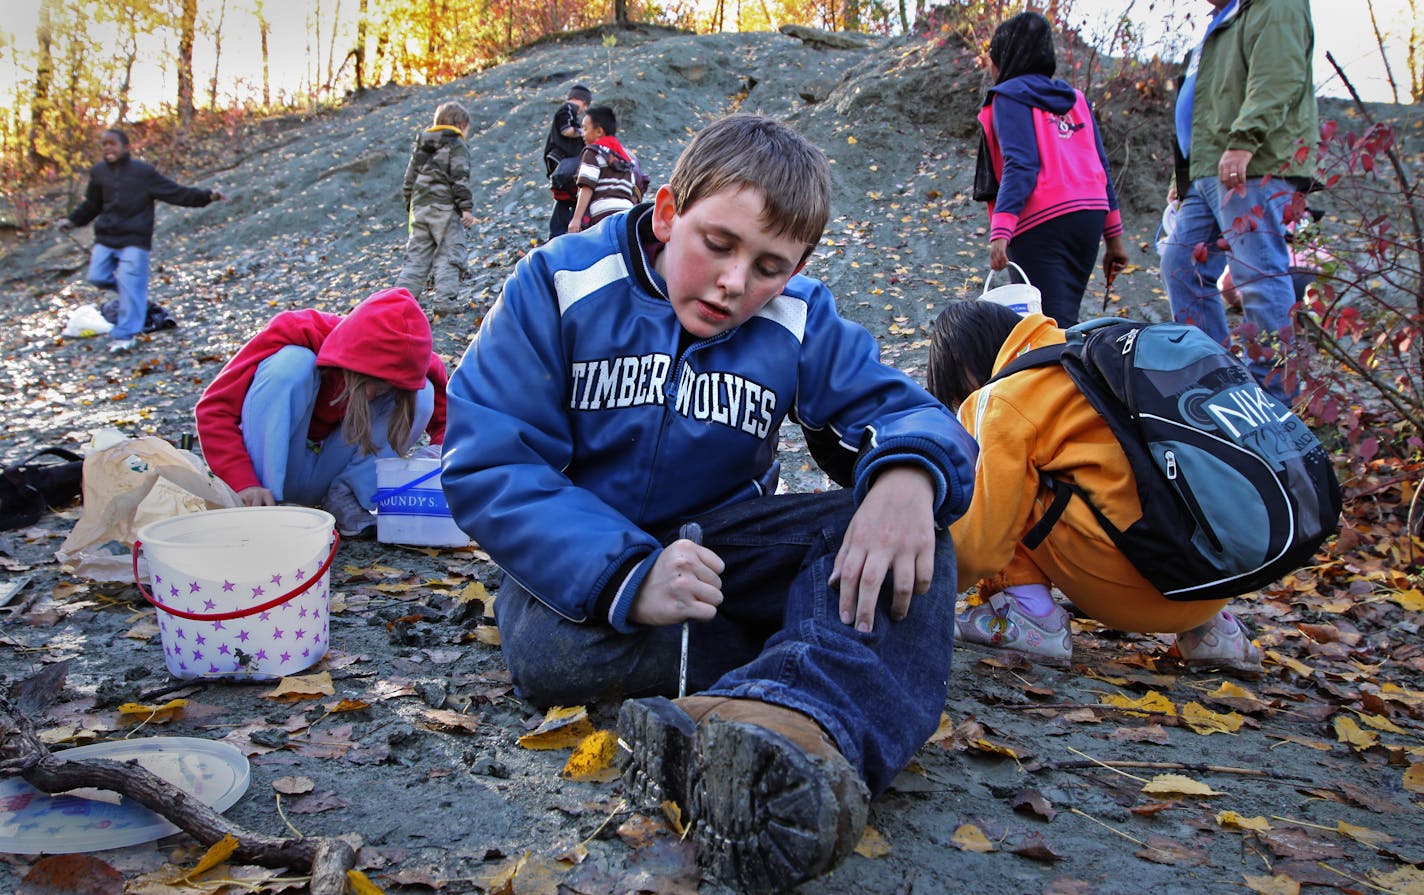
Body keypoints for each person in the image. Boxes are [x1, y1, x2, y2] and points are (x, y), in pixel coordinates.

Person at [441, 114, 977, 891]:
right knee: (544, 651)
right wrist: (629, 572)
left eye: (769, 266)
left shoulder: (798, 316)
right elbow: (490, 461)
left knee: (912, 541)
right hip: (584, 563)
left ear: (797, 269)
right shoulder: (558, 281)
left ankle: (796, 732)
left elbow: (912, 414)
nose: (736, 283)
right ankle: (789, 667)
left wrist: (907, 479)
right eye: (718, 245)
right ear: (666, 213)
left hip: (723, 547)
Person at [926, 299, 1262, 675]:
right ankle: (1213, 635)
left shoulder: (1005, 396)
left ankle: (1027, 614)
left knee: (1005, 484)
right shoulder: (1094, 358)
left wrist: (928, 581)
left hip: (1130, 595)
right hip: (1216, 583)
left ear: (963, 369)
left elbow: (979, 549)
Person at [1158, 0, 1317, 402]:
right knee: (1180, 264)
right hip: (1210, 168)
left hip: (1250, 162)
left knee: (1258, 273)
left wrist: (1244, 142)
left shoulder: (1274, 5)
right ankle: (1217, 382)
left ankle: (1273, 397)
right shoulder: (1227, 15)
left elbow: (1278, 77)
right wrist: (1188, 171)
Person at [194, 287, 448, 538]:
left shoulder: (414, 359)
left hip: (331, 470)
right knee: (292, 363)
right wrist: (244, 482)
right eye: (364, 382)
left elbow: (450, 420)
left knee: (421, 393)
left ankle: (347, 500)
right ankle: (264, 506)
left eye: (384, 388)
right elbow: (214, 409)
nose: (370, 395)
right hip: (275, 468)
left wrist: (439, 453)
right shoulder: (297, 329)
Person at [972, 11, 1126, 326]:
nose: (990, 66)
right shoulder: (1075, 99)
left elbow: (1021, 163)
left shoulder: (1009, 97)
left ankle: (1067, 374)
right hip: (1089, 218)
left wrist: (1001, 231)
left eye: (993, 57)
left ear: (1006, 55)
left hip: (1041, 223)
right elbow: (1101, 167)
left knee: (1048, 326)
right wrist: (1114, 239)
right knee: (1062, 317)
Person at [54, 127, 225, 354]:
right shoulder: (99, 173)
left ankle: (124, 337)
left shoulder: (143, 173)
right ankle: (134, 293)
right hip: (106, 238)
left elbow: (176, 193)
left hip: (135, 240)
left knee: (129, 280)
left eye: (112, 144)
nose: (108, 148)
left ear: (126, 147)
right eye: (104, 144)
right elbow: (92, 204)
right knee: (97, 276)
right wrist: (72, 221)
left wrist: (206, 196)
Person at [395, 101, 476, 305]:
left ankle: (398, 305)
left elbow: (409, 180)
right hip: (445, 208)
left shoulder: (422, 145)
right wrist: (465, 208)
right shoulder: (456, 144)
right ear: (461, 124)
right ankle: (445, 304)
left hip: (420, 208)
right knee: (449, 254)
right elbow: (459, 177)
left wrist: (411, 206)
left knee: (416, 258)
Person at [566, 105, 643, 234]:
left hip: (604, 217)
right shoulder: (626, 158)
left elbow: (587, 186)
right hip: (627, 216)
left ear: (599, 132)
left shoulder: (592, 152)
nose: (582, 133)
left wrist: (576, 219)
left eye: (585, 128)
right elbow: (633, 193)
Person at [543, 84, 593, 239]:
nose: (583, 110)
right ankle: (562, 233)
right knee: (569, 196)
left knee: (566, 199)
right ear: (583, 101)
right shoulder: (568, 109)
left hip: (560, 163)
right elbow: (567, 130)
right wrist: (585, 132)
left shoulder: (565, 110)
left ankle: (559, 234)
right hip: (563, 162)